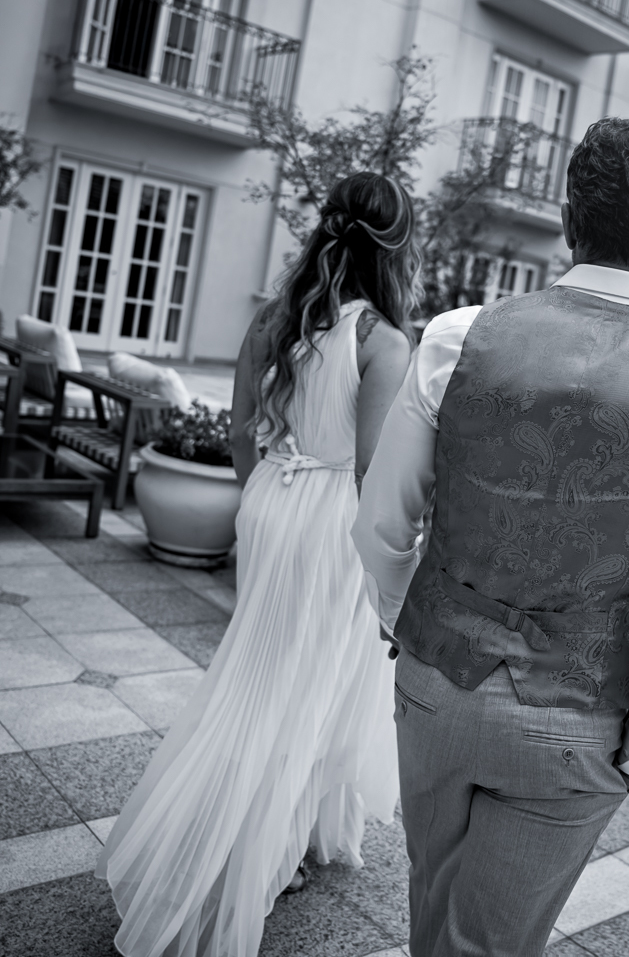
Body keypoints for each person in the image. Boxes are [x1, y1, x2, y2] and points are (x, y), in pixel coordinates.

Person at [352, 119, 629, 957]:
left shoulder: (455, 339)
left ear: (567, 215)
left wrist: (414, 631)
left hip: (434, 683)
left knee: (430, 904)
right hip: (577, 718)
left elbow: (381, 525)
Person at [96, 171, 421, 957]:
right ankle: (258, 851)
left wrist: (269, 496)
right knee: (310, 683)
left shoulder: (277, 318)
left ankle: (288, 827)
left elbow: (243, 430)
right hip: (331, 521)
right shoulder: (381, 342)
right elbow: (374, 468)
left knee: (262, 669)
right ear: (397, 251)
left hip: (275, 500)